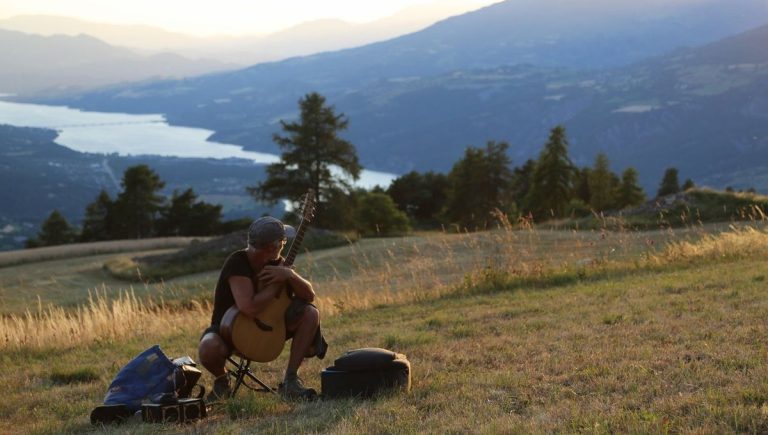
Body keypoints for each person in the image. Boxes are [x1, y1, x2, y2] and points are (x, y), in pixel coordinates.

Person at [198, 216, 327, 401]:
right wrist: (275, 286)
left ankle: (291, 380)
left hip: (272, 327)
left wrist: (289, 275)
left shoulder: (279, 264)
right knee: (208, 347)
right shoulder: (238, 262)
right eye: (283, 241)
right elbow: (248, 307)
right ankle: (222, 381)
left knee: (310, 312)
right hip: (229, 329)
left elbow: (309, 296)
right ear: (272, 247)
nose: (284, 244)